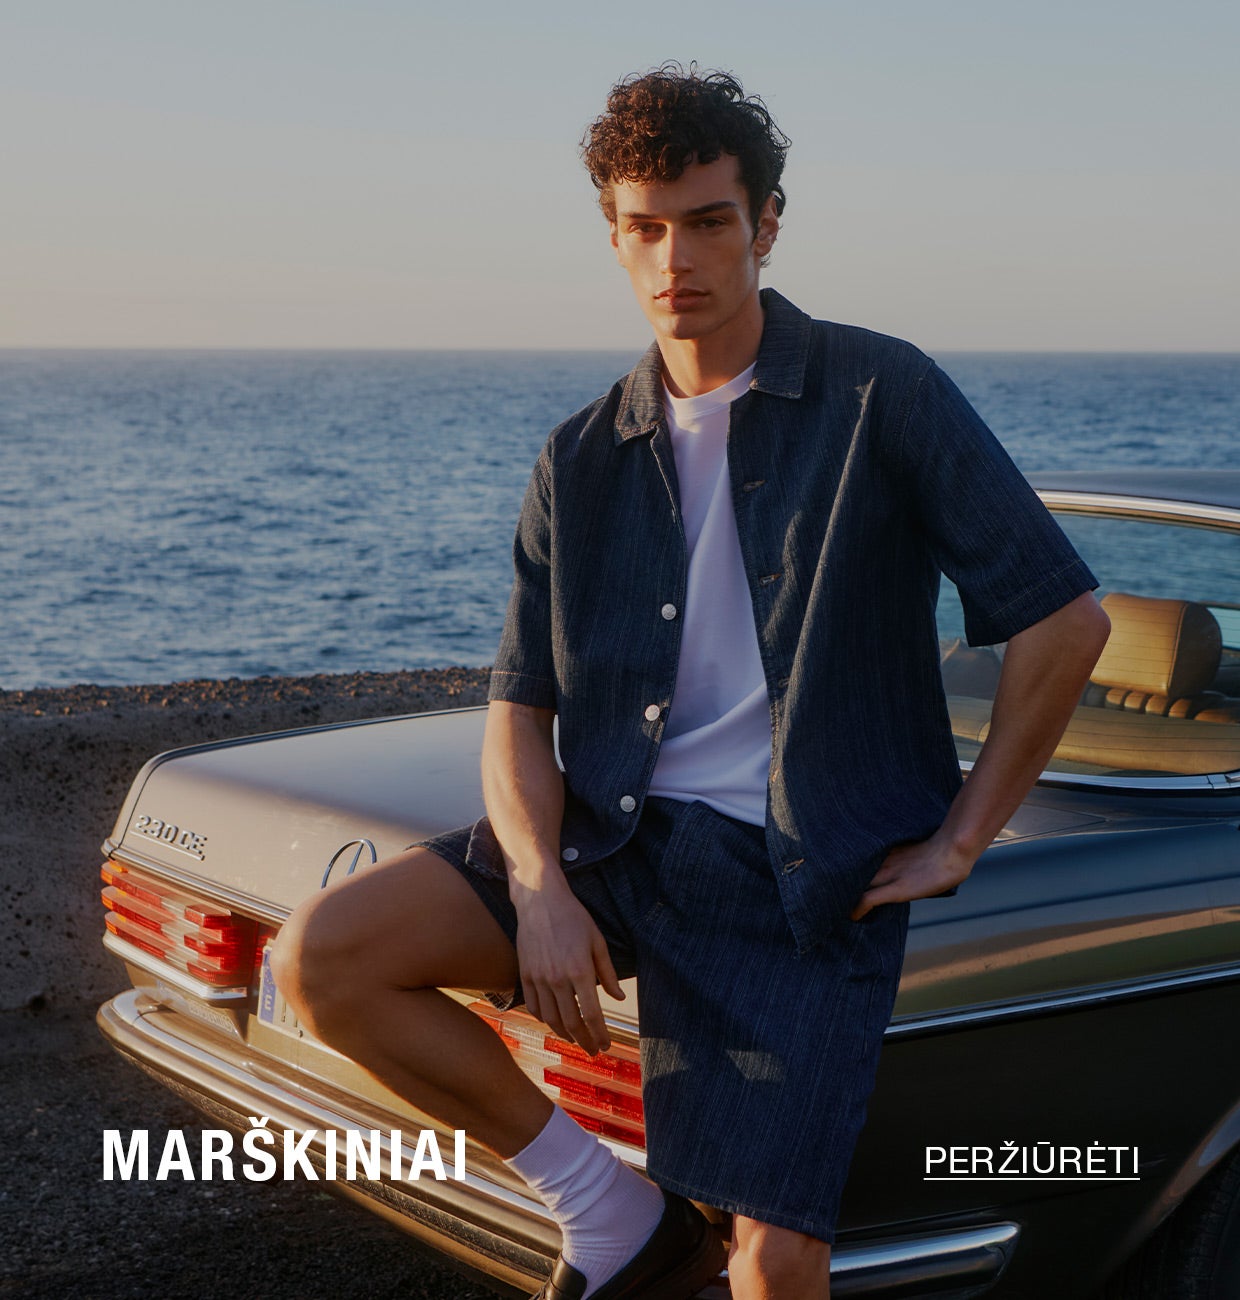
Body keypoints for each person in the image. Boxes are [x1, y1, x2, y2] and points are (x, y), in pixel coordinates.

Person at [272, 64, 1112, 1300]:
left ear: (765, 224)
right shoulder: (579, 455)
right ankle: (610, 1210)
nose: (678, 257)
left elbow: (1064, 620)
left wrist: (960, 840)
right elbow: (520, 705)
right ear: (613, 238)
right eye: (647, 227)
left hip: (799, 880)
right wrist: (538, 886)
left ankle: (670, 1230)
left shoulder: (881, 394)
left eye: (710, 221)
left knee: (773, 1260)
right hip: (616, 842)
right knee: (326, 957)